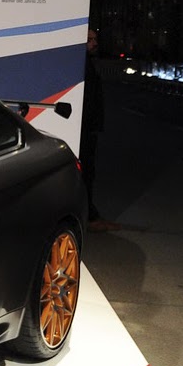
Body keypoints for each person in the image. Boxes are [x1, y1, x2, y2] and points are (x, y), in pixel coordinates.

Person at [80, 27, 111, 226]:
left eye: (95, 39)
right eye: (90, 39)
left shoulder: (88, 63)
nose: (94, 43)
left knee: (88, 171)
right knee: (87, 170)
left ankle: (89, 212)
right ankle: (89, 214)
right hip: (86, 127)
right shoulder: (83, 65)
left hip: (88, 126)